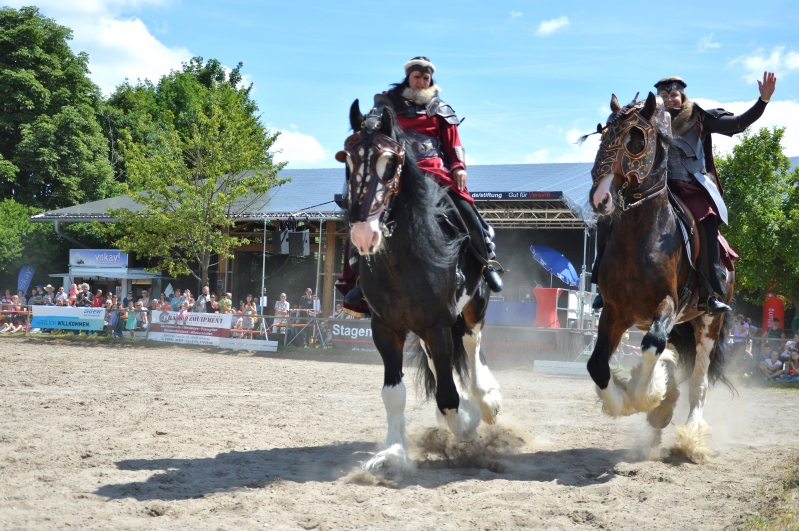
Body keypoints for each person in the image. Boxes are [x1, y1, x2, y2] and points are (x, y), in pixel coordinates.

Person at [592, 72, 777, 315]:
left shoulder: (698, 117)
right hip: (649, 188)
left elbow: (738, 123)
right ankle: (601, 285)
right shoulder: (644, 118)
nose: (669, 99)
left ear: (682, 96)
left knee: (707, 223)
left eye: (674, 95)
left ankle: (710, 292)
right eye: (664, 95)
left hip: (688, 186)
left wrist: (762, 101)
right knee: (606, 218)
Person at [338, 56, 504, 310]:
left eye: (426, 78)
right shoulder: (386, 104)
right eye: (417, 77)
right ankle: (359, 277)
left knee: (464, 209)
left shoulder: (440, 110)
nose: (421, 82)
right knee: (364, 214)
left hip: (433, 170)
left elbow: (454, 144)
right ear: (408, 77)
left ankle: (485, 262)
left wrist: (459, 167)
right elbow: (369, 130)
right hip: (397, 172)